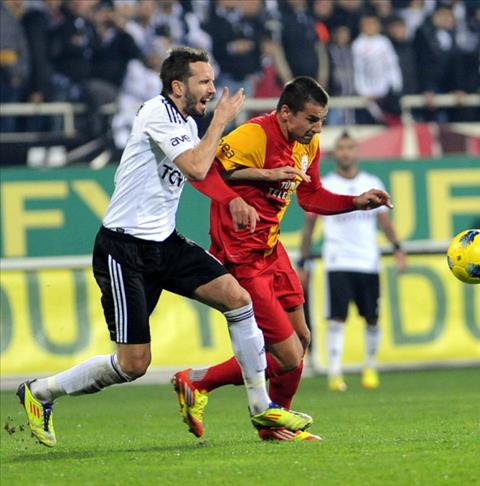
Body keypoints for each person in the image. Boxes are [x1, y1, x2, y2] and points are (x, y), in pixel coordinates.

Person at [17, 47, 312, 448]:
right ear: (178, 87)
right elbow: (195, 167)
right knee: (133, 364)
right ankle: (40, 392)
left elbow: (206, 170)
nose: (212, 89)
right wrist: (221, 122)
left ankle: (261, 406)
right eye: (204, 82)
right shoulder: (158, 113)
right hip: (124, 250)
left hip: (165, 242)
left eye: (212, 81)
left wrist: (249, 184)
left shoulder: (186, 124)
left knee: (238, 299)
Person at [176, 76, 393, 441]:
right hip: (241, 255)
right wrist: (238, 196)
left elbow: (311, 196)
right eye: (312, 119)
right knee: (289, 356)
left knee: (301, 338)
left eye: (322, 120)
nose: (318, 128)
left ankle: (270, 421)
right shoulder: (254, 135)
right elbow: (202, 171)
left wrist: (355, 203)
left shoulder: (308, 144)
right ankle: (205, 385)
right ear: (286, 113)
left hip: (271, 249)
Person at [298, 131, 407, 392]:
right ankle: (335, 372)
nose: (345, 152)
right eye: (341, 148)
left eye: (350, 147)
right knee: (336, 318)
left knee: (372, 318)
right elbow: (310, 224)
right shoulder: (326, 184)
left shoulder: (371, 182)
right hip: (338, 261)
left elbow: (385, 221)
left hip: (368, 261)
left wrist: (398, 248)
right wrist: (303, 261)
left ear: (356, 151)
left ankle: (370, 367)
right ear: (335, 153)